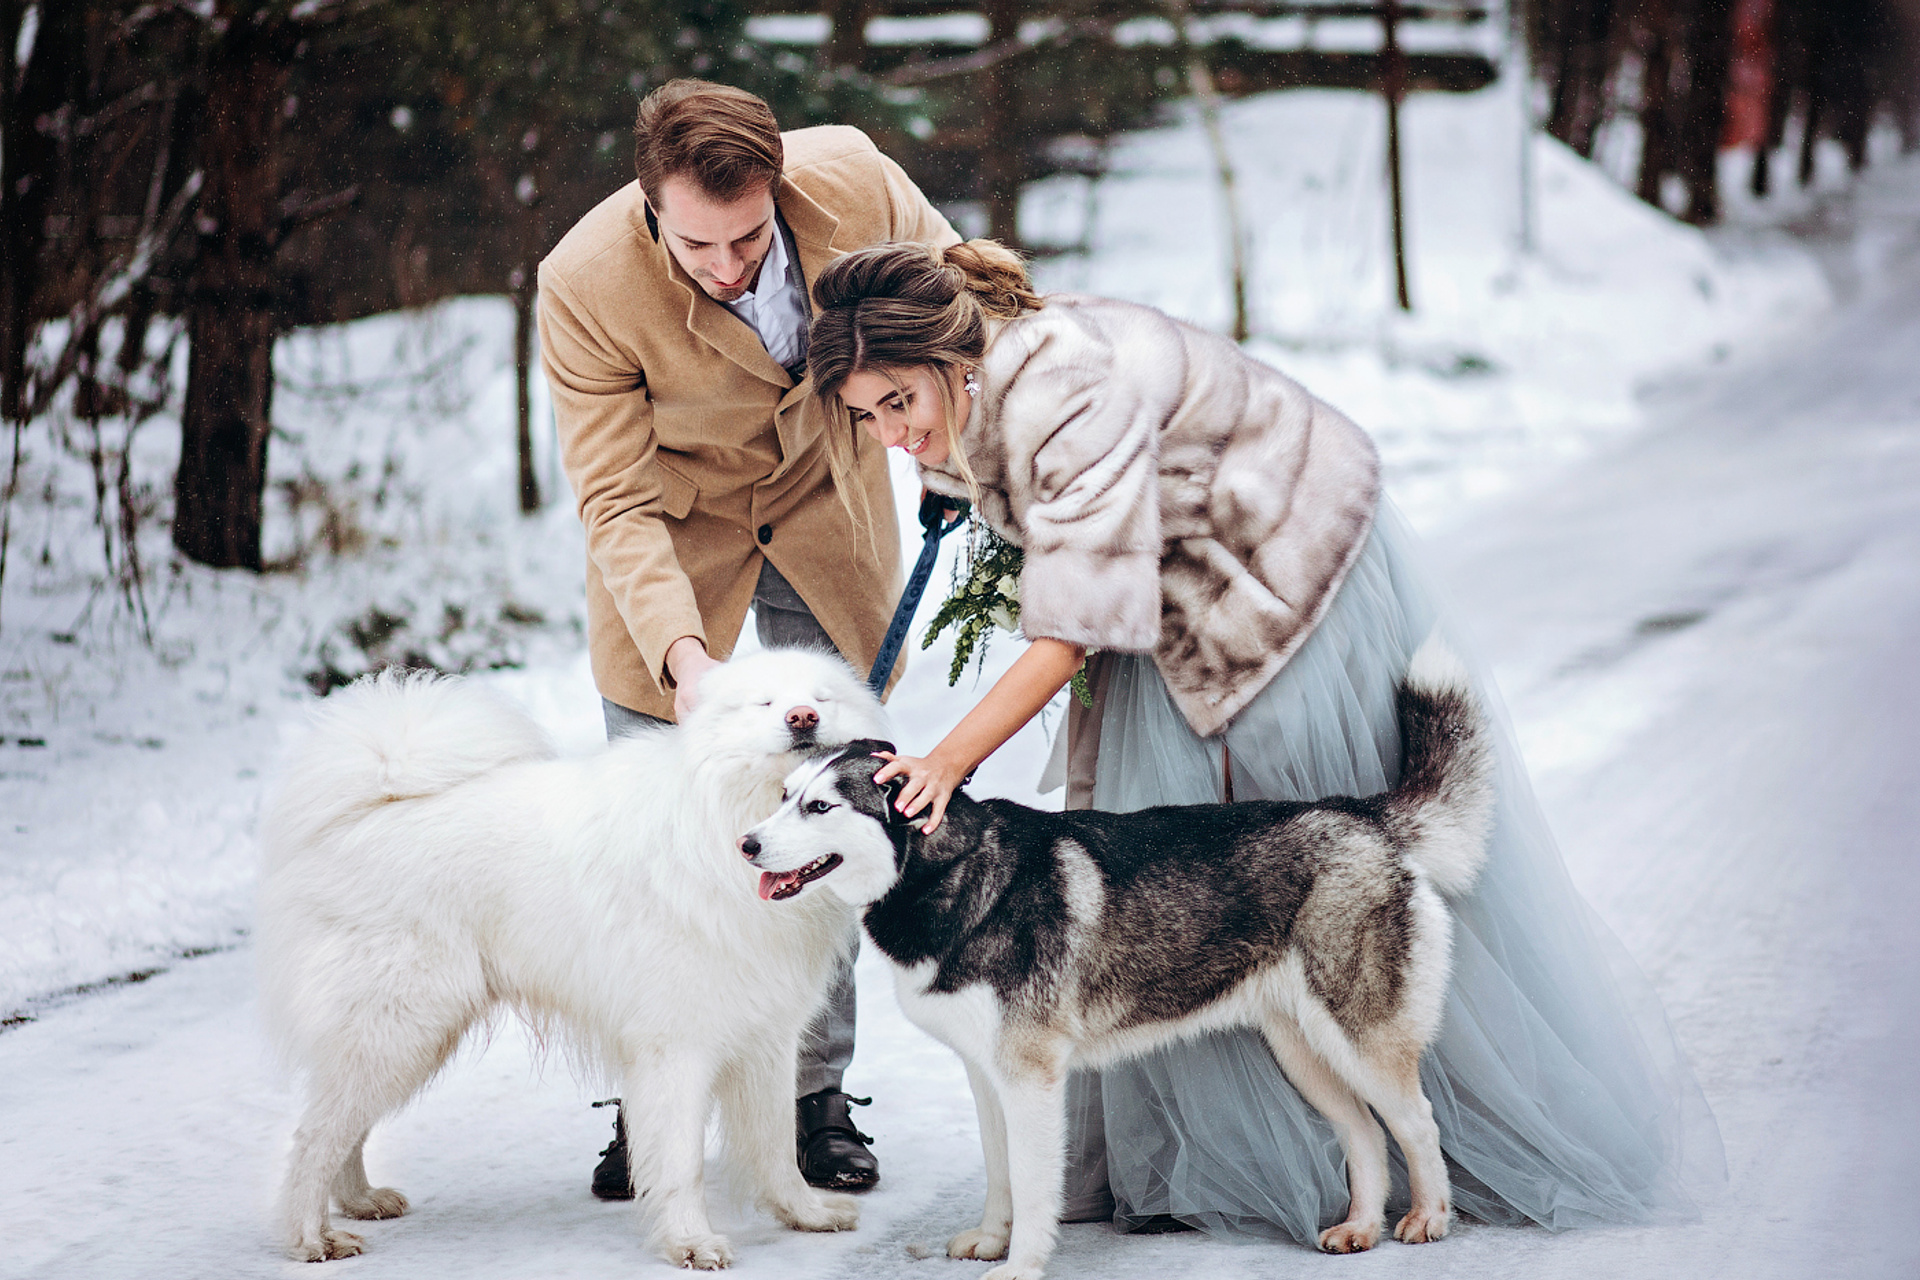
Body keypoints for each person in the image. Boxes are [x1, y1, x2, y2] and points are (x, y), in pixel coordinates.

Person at [801, 239, 1726, 1244]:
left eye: (900, 403)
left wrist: (946, 758)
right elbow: (1050, 532)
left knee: (1298, 869)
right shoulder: (984, 381)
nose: (893, 434)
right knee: (1178, 855)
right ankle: (1245, 1154)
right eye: (870, 417)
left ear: (952, 357)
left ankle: (1422, 1143)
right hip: (1176, 574)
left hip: (1273, 565)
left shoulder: (1063, 389)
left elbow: (1066, 632)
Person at [536, 79, 960, 1196]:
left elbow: (964, 308)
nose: (728, 265)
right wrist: (683, 661)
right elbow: (616, 498)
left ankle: (813, 1095)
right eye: (698, 243)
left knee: (826, 816)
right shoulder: (581, 283)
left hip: (829, 527)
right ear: (648, 205)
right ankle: (652, 1100)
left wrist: (961, 448)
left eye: (750, 236)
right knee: (662, 852)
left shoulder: (856, 180)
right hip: (679, 558)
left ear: (779, 187)